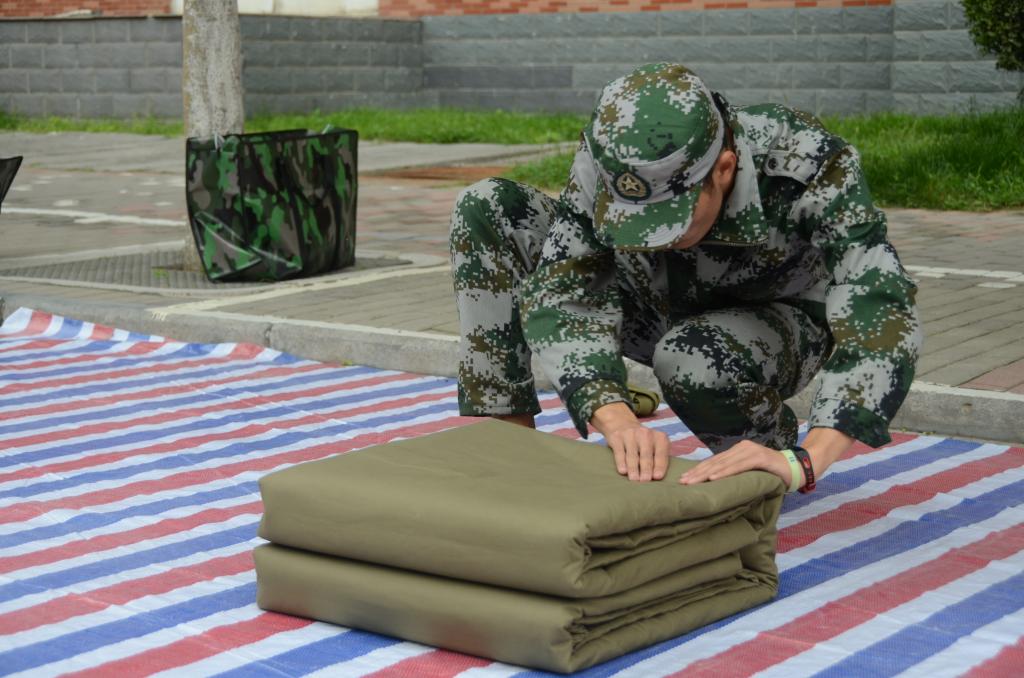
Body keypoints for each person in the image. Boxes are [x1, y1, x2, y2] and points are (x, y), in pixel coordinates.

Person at [449, 63, 922, 494]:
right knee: (488, 205)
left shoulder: (805, 160)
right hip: (649, 303)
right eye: (633, 219)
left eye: (668, 221)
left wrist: (807, 460)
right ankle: (509, 443)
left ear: (724, 170)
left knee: (689, 358)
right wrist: (612, 413)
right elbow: (569, 289)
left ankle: (762, 438)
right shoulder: (610, 156)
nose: (651, 239)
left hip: (769, 324)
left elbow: (880, 307)